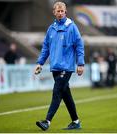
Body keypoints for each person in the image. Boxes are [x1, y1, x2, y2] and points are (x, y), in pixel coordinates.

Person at [34, 1, 85, 131]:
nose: (60, 13)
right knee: (66, 95)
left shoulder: (72, 27)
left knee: (57, 92)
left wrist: (80, 63)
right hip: (55, 67)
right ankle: (76, 121)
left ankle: (47, 121)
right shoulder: (51, 29)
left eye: (62, 11)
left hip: (66, 67)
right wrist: (40, 63)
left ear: (65, 12)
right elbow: (45, 47)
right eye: (58, 11)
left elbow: (79, 45)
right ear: (54, 12)